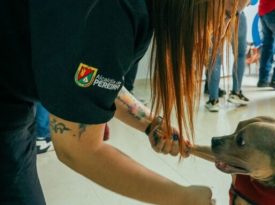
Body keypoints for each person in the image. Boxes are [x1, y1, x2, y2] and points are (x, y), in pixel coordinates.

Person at [0, 0, 243, 204]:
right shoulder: (113, 11)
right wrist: (180, 197)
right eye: (226, 15)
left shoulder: (136, 10)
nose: (220, 33)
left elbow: (94, 79)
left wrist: (151, 124)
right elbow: (77, 149)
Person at [205, 10, 250, 112]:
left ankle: (213, 100)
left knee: (215, 57)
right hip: (238, 13)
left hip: (217, 13)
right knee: (240, 55)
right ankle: (236, 92)